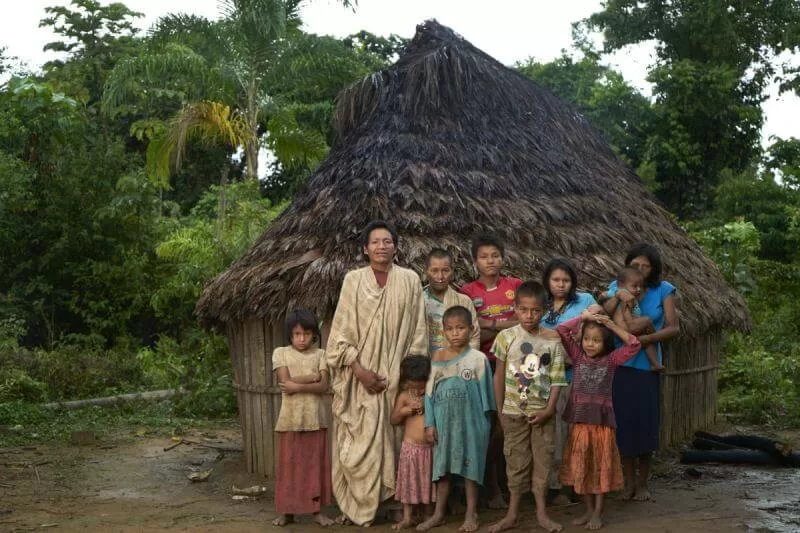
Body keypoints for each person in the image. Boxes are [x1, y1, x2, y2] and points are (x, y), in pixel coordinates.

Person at [326, 220, 429, 526]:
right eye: (375, 241)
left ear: (395, 247)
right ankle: (356, 504)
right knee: (357, 440)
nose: (381, 246)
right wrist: (359, 371)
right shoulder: (353, 280)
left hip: (396, 378)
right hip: (360, 379)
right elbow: (340, 334)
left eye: (387, 241)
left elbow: (417, 332)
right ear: (365, 248)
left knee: (396, 437)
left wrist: (408, 379)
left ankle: (392, 503)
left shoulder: (409, 280)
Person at [599, 243, 679, 501]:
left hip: (646, 369)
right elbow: (603, 312)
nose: (641, 269)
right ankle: (627, 482)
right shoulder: (618, 286)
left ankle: (643, 484)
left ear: (654, 268)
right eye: (636, 265)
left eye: (646, 265)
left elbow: (673, 328)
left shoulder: (664, 290)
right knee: (623, 426)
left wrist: (645, 340)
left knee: (645, 425)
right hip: (621, 366)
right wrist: (617, 296)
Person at [488, 281, 567, 533]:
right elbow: (498, 376)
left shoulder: (552, 341)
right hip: (512, 412)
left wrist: (549, 410)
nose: (529, 315)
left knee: (543, 462)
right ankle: (512, 513)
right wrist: (500, 411)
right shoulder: (505, 337)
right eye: (523, 310)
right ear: (515, 309)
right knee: (516, 462)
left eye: (535, 310)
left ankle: (542, 513)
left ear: (544, 310)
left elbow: (557, 379)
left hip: (542, 413)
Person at [556, 309, 642, 530]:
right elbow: (562, 330)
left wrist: (611, 325)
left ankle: (597, 513)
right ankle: (587, 510)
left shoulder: (611, 361)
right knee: (581, 466)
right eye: (586, 339)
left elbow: (634, 344)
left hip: (602, 425)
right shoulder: (576, 357)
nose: (590, 344)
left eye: (596, 340)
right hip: (580, 424)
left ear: (606, 343)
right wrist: (584, 319)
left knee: (600, 467)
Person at [417, 306, 496, 533]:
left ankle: (472, 514)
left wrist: (486, 427)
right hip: (444, 424)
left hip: (472, 425)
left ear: (471, 330)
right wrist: (430, 424)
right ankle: (439, 514)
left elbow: (487, 399)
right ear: (443, 332)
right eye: (450, 329)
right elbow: (429, 396)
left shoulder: (478, 359)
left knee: (471, 469)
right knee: (442, 471)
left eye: (460, 328)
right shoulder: (436, 358)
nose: (455, 333)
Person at [460, 235, 522, 509]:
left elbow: (523, 319)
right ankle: (492, 487)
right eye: (484, 256)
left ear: (503, 258)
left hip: (516, 364)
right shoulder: (467, 291)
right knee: (487, 427)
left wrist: (491, 324)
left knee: (511, 425)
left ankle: (514, 486)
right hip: (482, 365)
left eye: (495, 255)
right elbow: (471, 327)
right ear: (475, 261)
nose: (490, 260)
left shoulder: (515, 286)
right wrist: (504, 324)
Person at [539, 258, 598, 505]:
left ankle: (576, 485)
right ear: (547, 282)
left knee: (577, 432)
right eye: (556, 280)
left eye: (566, 280)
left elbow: (597, 317)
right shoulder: (541, 306)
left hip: (577, 377)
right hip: (547, 379)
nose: (561, 285)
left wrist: (568, 329)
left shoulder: (584, 301)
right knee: (554, 433)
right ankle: (556, 485)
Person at [272, 309, 334, 527]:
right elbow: (284, 382)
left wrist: (297, 385)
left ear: (313, 334)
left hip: (316, 419)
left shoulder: (321, 355)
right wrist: (311, 377)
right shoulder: (281, 353)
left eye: (307, 334)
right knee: (289, 467)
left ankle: (316, 511)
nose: (302, 339)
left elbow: (323, 386)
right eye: (297, 334)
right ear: (290, 334)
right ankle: (287, 512)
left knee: (314, 467)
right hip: (289, 419)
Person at [391, 355, 435, 530]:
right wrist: (404, 411)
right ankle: (408, 516)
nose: (417, 391)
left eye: (420, 387)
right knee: (409, 482)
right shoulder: (404, 396)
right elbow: (393, 420)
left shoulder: (431, 395)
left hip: (429, 449)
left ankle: (428, 515)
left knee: (428, 483)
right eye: (413, 386)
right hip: (410, 449)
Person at [423, 248, 480, 355]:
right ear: (426, 271)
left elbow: (474, 336)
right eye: (434, 271)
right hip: (425, 364)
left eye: (445, 270)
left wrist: (465, 361)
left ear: (452, 271)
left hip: (457, 364)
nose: (440, 277)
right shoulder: (417, 300)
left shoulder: (463, 301)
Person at [612, 267, 663, 372]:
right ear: (622, 285)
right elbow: (627, 316)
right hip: (627, 325)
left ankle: (654, 364)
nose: (639, 289)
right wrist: (635, 324)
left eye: (640, 286)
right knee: (647, 322)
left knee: (647, 340)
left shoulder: (630, 296)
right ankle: (655, 363)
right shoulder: (624, 298)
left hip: (632, 324)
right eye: (635, 286)